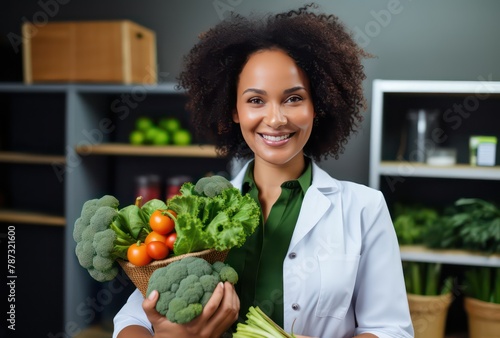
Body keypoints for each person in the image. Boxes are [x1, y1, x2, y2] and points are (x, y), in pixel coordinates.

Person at [113, 4, 414, 338]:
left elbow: (390, 329)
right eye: (256, 100)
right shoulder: (196, 210)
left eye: (293, 99)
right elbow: (132, 320)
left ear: (318, 106)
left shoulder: (364, 209)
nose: (275, 119)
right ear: (234, 110)